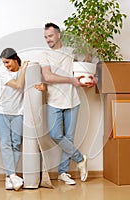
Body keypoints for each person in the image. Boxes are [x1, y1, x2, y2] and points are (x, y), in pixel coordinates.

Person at [38, 22, 97, 185]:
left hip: (73, 100)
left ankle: (63, 173)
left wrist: (91, 76)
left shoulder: (71, 53)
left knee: (69, 138)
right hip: (54, 101)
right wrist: (71, 80)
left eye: (50, 36)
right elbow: (48, 77)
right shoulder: (44, 55)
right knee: (56, 135)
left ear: (58, 35)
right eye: (45, 37)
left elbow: (84, 66)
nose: (48, 39)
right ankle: (80, 158)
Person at [0, 48, 29, 191]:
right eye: (4, 63)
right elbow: (18, 85)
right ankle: (12, 175)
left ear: (15, 59)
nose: (6, 65)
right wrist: (24, 69)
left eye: (7, 62)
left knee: (16, 144)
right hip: (2, 112)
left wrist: (24, 70)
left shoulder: (24, 71)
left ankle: (9, 178)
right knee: (5, 143)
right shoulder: (4, 73)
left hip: (18, 113)